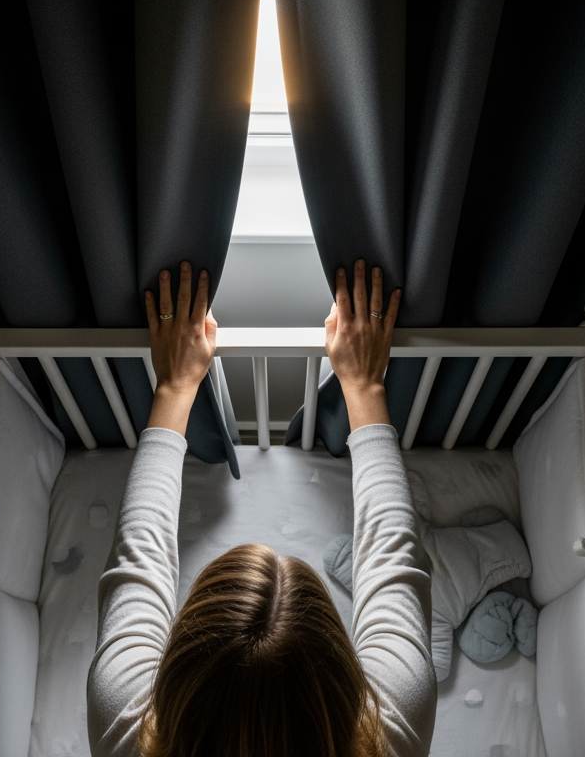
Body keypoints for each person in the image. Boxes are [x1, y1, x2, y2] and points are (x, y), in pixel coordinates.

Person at [87, 259, 436, 757]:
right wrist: (365, 386)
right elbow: (393, 558)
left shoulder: (127, 732)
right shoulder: (387, 735)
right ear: (347, 681)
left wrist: (173, 387)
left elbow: (139, 556)